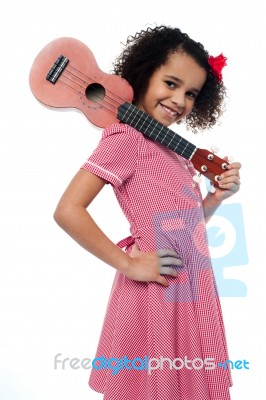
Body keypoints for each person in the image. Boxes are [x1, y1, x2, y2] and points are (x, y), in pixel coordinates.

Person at [54, 25, 241, 400]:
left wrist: (214, 200)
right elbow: (68, 210)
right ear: (144, 74)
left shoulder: (172, 150)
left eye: (190, 93)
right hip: (155, 293)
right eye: (170, 83)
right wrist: (129, 264)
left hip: (190, 288)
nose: (179, 100)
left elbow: (182, 228)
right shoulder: (126, 140)